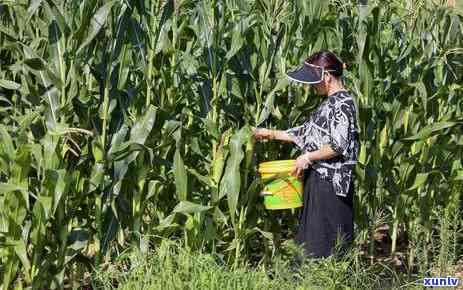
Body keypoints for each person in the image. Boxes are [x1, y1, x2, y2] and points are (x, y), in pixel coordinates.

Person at [252, 50, 360, 259]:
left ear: (327, 76)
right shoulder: (331, 102)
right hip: (320, 182)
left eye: (314, 81)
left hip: (331, 185)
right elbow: (307, 132)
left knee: (323, 244)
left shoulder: (342, 104)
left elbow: (338, 145)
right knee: (315, 240)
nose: (311, 86)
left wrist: (307, 157)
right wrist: (270, 134)